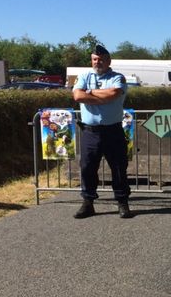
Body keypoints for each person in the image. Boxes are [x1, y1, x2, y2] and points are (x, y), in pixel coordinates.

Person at [72, 45, 132, 219]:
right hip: (90, 132)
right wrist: (100, 96)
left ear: (109, 60)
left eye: (101, 59)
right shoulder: (84, 76)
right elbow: (77, 96)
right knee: (88, 168)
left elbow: (113, 94)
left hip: (113, 131)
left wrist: (89, 93)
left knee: (119, 168)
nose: (98, 62)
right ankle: (88, 203)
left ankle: (122, 202)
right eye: (95, 59)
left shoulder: (118, 77)